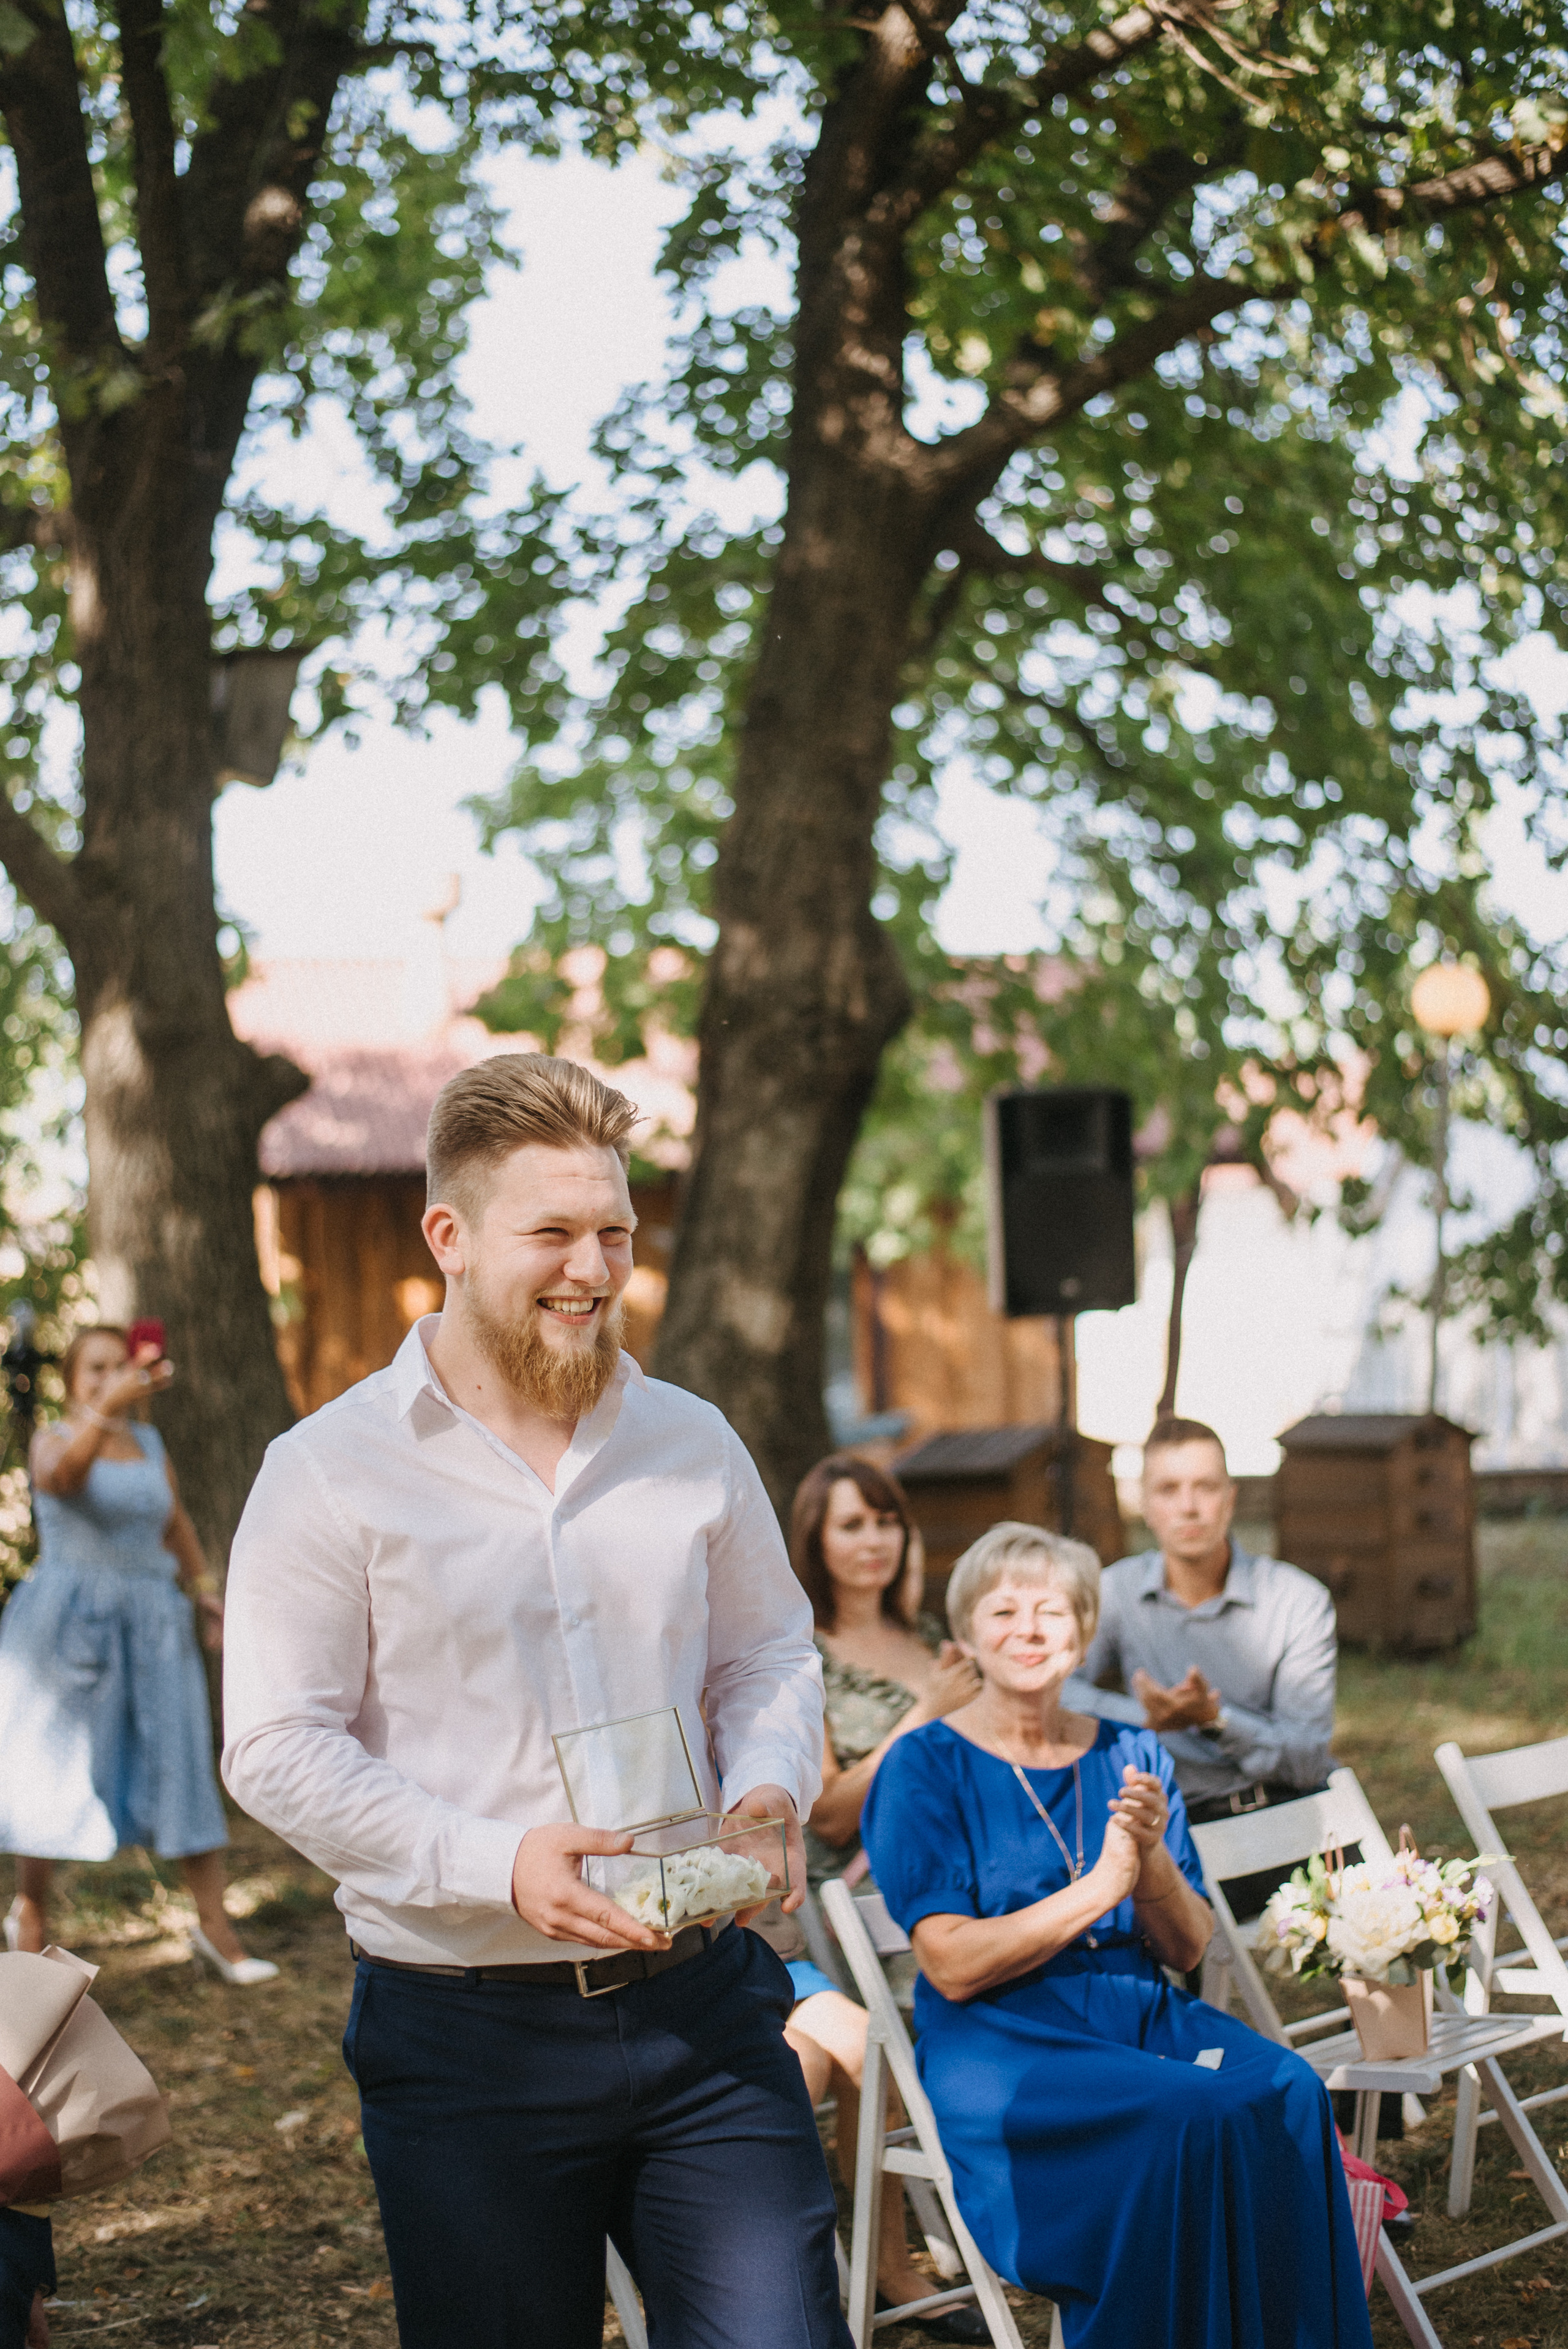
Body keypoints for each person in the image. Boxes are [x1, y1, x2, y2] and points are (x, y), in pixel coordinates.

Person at [222, 1053, 852, 2349]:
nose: (593, 1267)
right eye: (552, 1233)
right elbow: (275, 1744)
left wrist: (768, 1779)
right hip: (464, 2038)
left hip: (705, 2003)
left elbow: (769, 1653)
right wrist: (495, 1861)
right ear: (448, 1237)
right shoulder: (326, 1471)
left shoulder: (693, 1440)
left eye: (614, 1232)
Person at [861, 1521, 1373, 2349]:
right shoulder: (923, 1763)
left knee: (1290, 2089)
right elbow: (950, 1963)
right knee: (1191, 2115)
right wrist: (1101, 1886)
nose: (1029, 1630)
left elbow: (1189, 1947)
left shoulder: (1131, 1749)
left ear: (1085, 1629)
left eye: (1051, 1611)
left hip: (1139, 2006)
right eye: (1004, 1611)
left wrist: (1150, 1857)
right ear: (967, 1634)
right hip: (1005, 2037)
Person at [0, 1326, 275, 1985]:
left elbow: (173, 1521)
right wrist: (104, 1411)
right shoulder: (55, 1438)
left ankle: (215, 1929)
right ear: (72, 1379)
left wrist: (203, 1589)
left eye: (120, 1365)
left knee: (180, 1756)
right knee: (58, 1766)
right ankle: (31, 1914)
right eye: (96, 1368)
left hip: (153, 1618)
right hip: (73, 1619)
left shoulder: (149, 1443)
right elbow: (63, 1481)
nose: (111, 1377)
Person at [781, 1456, 986, 2340]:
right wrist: (925, 1713)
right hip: (866, 1903)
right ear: (816, 1540)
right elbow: (826, 1811)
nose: (874, 1540)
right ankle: (887, 2261)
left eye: (886, 1520)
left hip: (968, 1874)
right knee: (892, 2046)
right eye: (852, 1524)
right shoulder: (802, 1652)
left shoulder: (929, 1634)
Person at [1067, 1415, 1336, 1891]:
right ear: (1144, 1504)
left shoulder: (1298, 1600)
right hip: (1175, 1834)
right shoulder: (1116, 1592)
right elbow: (1055, 1689)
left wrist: (1216, 1721)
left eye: (1205, 1487)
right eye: (1168, 1490)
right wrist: (1143, 1718)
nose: (1189, 1507)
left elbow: (1309, 1761)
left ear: (1231, 1499)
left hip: (1293, 1818)